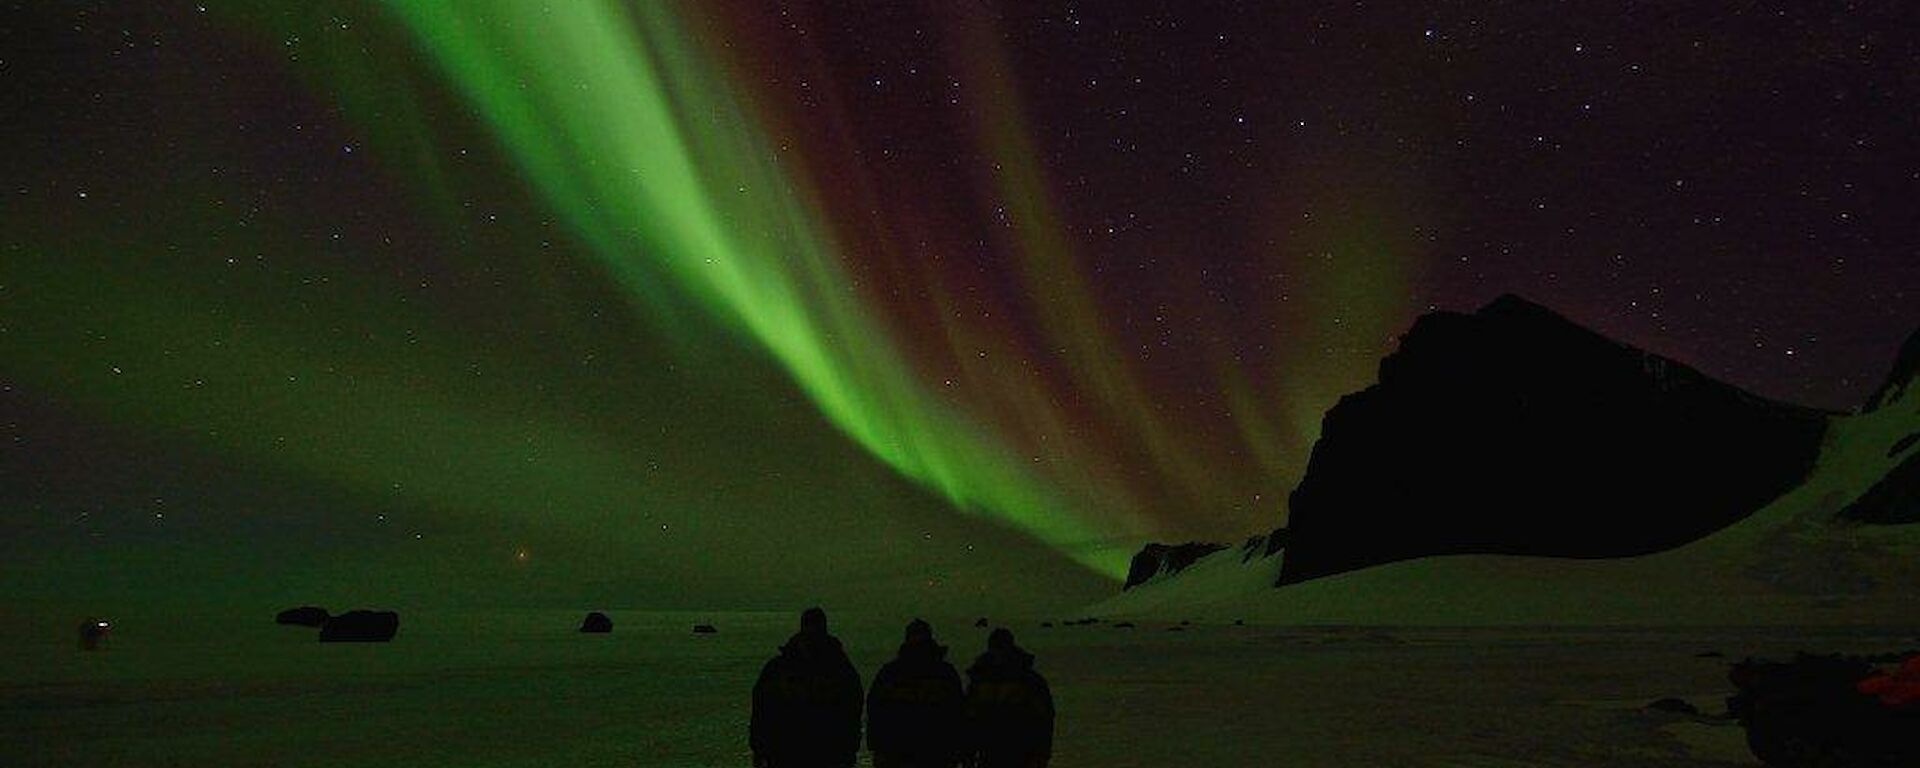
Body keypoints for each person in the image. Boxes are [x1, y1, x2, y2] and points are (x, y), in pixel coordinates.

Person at [750, 607, 863, 768]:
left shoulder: (778, 668)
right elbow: (854, 710)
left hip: (808, 753)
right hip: (802, 753)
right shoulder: (842, 669)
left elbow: (761, 710)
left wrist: (759, 749)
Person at [867, 619, 965, 768]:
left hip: (899, 752)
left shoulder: (890, 673)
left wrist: (878, 748)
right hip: (936, 753)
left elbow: (875, 712)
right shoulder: (945, 673)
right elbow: (958, 713)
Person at [963, 628, 1054, 768]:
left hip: (1018, 752)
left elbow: (1043, 718)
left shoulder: (1027, 681)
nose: (999, 654)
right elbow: (969, 717)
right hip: (991, 752)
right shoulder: (981, 680)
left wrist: (1041, 753)